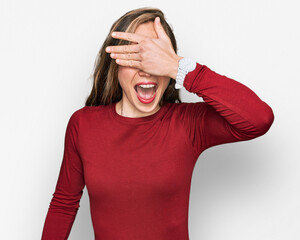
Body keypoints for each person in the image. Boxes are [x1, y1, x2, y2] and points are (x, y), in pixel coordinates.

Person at [41, 6, 274, 240]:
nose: (146, 69)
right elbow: (64, 204)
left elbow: (259, 119)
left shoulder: (187, 124)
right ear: (115, 65)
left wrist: (178, 67)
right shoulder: (83, 125)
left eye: (155, 57)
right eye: (135, 56)